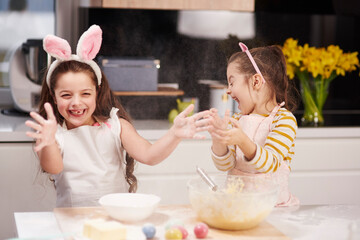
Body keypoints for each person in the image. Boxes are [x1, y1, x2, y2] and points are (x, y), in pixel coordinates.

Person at [25, 25, 210, 207]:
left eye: (85, 94)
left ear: (97, 92)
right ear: (54, 97)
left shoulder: (115, 126)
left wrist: (174, 134)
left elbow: (149, 155)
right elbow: (53, 167)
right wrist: (48, 142)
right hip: (73, 222)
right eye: (66, 95)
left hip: (115, 218)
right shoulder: (52, 135)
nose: (76, 102)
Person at [207, 42, 299, 207]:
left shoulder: (284, 120)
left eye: (232, 82)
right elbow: (225, 165)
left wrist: (242, 140)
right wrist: (218, 139)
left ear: (256, 81)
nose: (228, 90)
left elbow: (269, 164)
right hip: (238, 206)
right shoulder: (238, 119)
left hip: (273, 210)